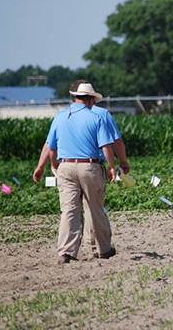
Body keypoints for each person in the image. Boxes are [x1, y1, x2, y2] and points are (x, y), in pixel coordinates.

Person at [33, 80, 130, 258]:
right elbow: (107, 146)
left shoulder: (60, 117)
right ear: (91, 100)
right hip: (90, 167)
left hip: (65, 167)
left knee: (69, 210)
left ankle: (66, 252)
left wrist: (42, 166)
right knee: (95, 207)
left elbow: (49, 146)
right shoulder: (96, 117)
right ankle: (103, 249)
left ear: (75, 97)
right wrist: (112, 167)